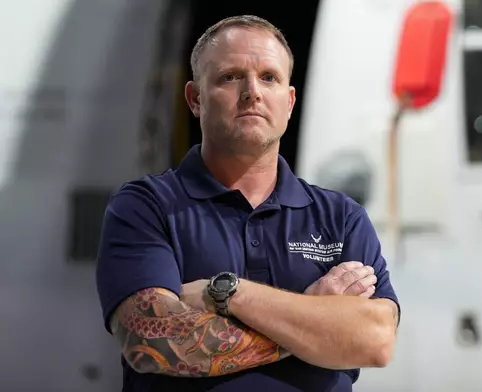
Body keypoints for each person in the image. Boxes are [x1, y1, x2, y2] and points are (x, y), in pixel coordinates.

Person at [95, 14, 400, 392]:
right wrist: (314, 317)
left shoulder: (340, 217)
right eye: (229, 76)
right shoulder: (146, 207)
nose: (252, 91)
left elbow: (374, 340)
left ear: (289, 102)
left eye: (269, 77)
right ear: (195, 99)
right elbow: (152, 343)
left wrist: (227, 293)